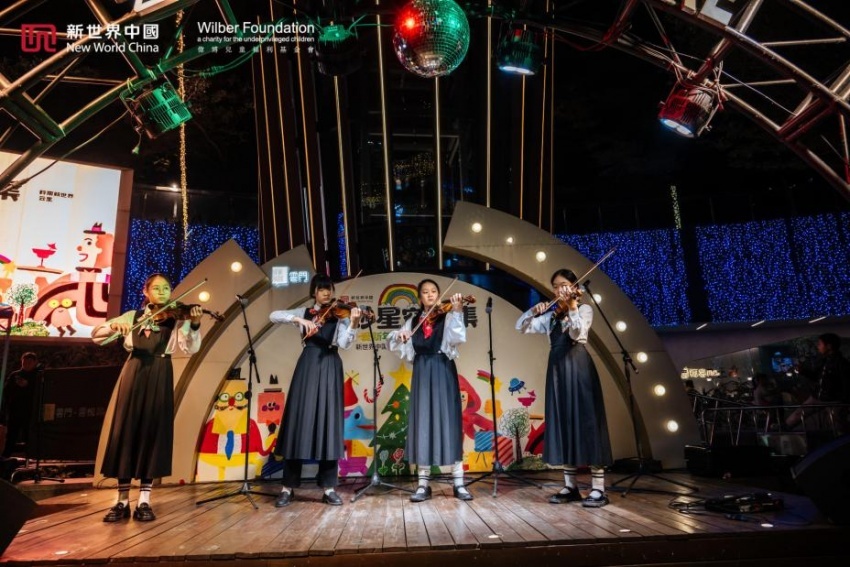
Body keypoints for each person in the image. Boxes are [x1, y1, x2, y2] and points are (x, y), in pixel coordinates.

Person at [92, 274, 203, 522]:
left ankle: (144, 500)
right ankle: (121, 500)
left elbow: (190, 347)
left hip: (161, 371)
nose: (162, 291)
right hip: (134, 371)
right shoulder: (132, 316)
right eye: (157, 288)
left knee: (153, 431)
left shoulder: (178, 318)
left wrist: (194, 324)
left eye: (166, 288)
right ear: (146, 291)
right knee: (126, 430)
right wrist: (113, 327)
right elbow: (97, 336)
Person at [516, 269, 612, 507]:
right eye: (556, 286)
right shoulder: (551, 316)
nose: (560, 289)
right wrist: (533, 311)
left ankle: (598, 489)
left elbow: (578, 333)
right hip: (557, 370)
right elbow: (521, 327)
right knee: (563, 422)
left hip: (578, 367)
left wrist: (572, 307)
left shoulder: (584, 309)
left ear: (574, 287)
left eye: (564, 285)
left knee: (587, 422)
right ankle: (570, 486)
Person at [269, 274, 361, 507]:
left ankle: (328, 488)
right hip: (308, 364)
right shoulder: (304, 312)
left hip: (330, 364)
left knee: (329, 424)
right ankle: (287, 487)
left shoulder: (340, 315)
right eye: (321, 289)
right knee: (298, 422)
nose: (326, 293)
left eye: (329, 289)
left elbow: (344, 343)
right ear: (314, 293)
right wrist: (298, 319)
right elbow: (273, 315)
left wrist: (352, 323)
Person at [387, 279, 472, 502]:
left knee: (450, 423)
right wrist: (399, 336)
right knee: (422, 423)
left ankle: (459, 483)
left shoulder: (448, 315)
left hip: (443, 369)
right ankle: (423, 485)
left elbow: (457, 338)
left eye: (434, 291)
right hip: (422, 371)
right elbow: (392, 341)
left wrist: (457, 311)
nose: (430, 295)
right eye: (425, 292)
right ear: (419, 297)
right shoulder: (413, 321)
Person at [787, 333, 850, 434]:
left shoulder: (841, 363)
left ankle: (841, 441)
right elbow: (817, 377)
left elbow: (846, 384)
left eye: (820, 344)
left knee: (837, 426)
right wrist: (803, 371)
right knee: (796, 416)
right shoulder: (824, 361)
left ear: (829, 346)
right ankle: (783, 431)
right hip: (818, 397)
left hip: (833, 401)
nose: (818, 346)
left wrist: (843, 402)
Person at [1, 352, 39, 458]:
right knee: (11, 435)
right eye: (25, 362)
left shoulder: (38, 376)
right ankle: (6, 456)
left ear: (35, 363)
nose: (27, 364)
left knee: (29, 435)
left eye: (30, 362)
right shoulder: (15, 375)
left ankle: (31, 456)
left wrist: (28, 385)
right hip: (15, 410)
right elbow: (6, 392)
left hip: (31, 411)